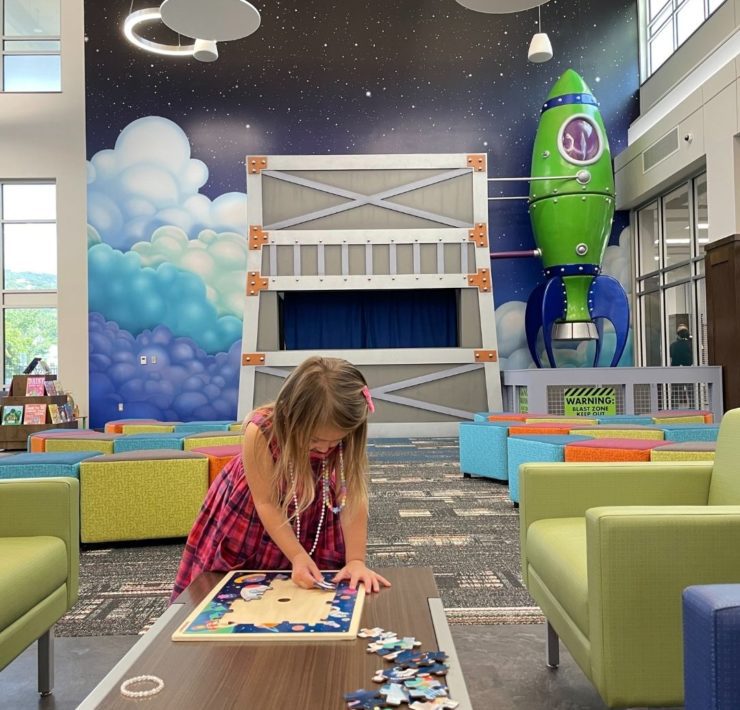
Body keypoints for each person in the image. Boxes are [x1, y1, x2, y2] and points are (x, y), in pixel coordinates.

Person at [171, 356, 390, 601]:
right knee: (236, 596)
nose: (325, 449)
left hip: (311, 509)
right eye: (315, 440)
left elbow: (352, 497)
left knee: (306, 598)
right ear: (290, 417)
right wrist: (297, 555)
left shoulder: (343, 430)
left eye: (336, 441)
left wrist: (356, 560)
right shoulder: (262, 429)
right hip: (255, 510)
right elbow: (265, 503)